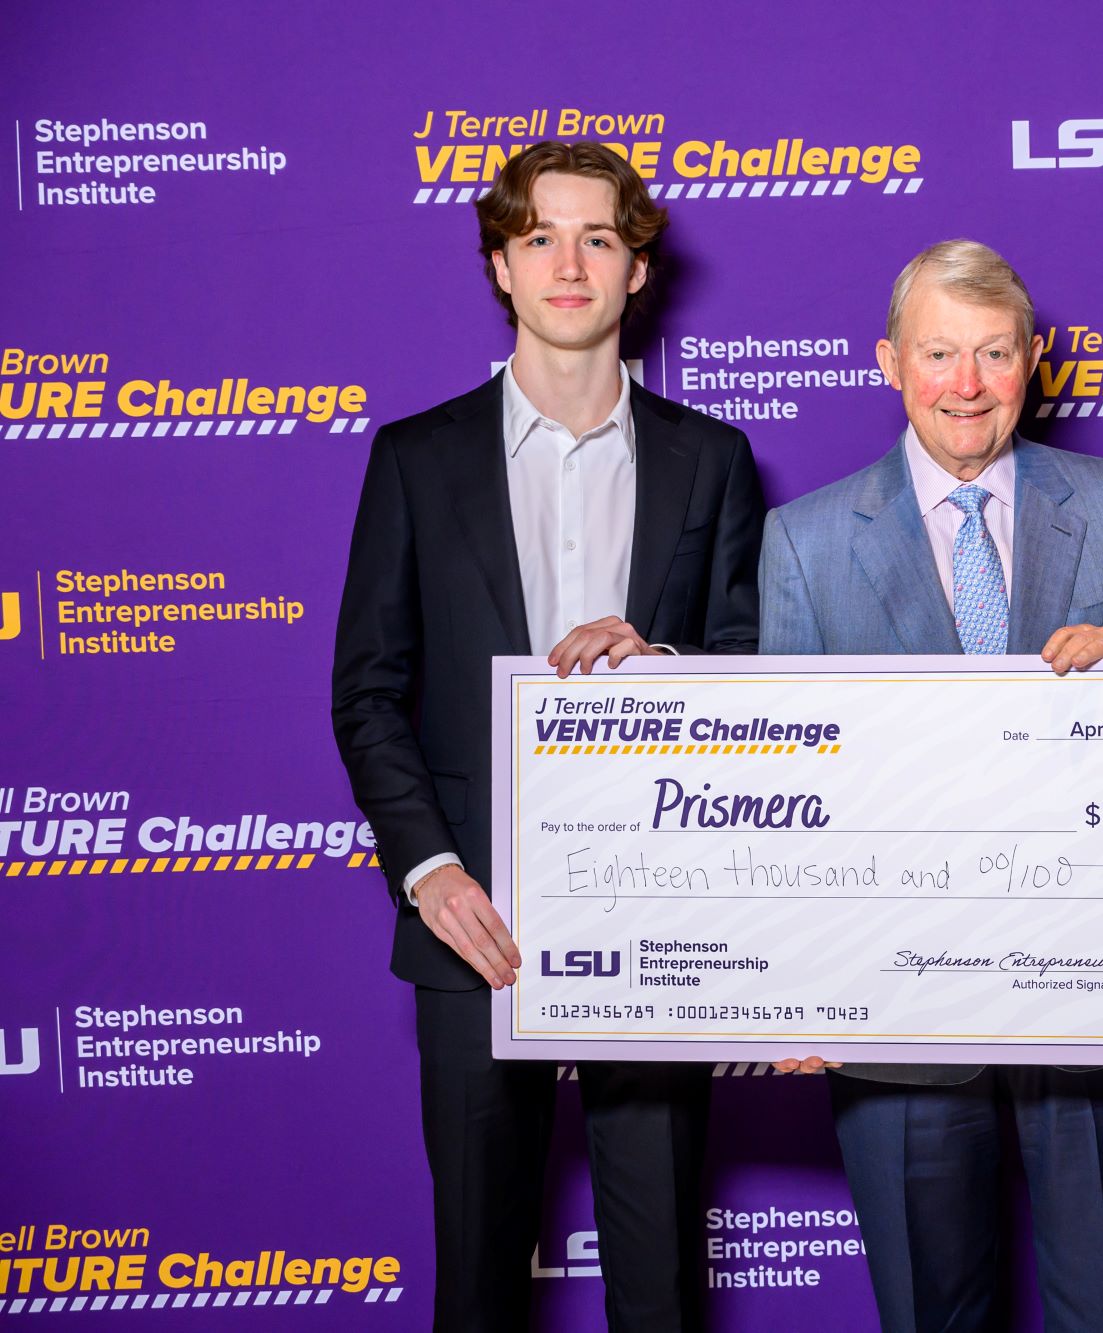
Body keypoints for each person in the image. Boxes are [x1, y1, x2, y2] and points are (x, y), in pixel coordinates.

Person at [331, 139, 764, 1331]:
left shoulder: (713, 458)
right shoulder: (416, 459)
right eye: (540, 238)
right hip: (477, 921)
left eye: (598, 238)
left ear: (637, 272)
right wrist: (430, 872)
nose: (569, 263)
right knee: (474, 1275)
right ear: (501, 267)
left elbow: (755, 670)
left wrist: (664, 663)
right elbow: (366, 689)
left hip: (656, 917)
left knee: (662, 1277)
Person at [758, 239, 1103, 1332]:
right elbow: (784, 792)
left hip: (1094, 997)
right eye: (939, 353)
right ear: (888, 362)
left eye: (993, 353)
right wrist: (791, 978)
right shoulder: (805, 543)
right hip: (896, 1011)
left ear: (1032, 359)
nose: (965, 384)